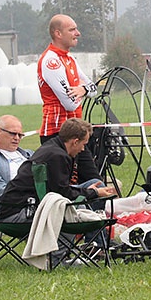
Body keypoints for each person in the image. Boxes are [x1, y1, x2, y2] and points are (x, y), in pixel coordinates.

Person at [0, 118, 116, 222]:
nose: (83, 149)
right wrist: (93, 193)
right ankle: (92, 243)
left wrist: (88, 190)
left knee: (95, 184)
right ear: (75, 142)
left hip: (27, 203)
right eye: (83, 144)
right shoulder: (58, 156)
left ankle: (94, 243)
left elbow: (59, 190)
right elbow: (63, 194)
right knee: (72, 210)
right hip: (19, 212)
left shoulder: (53, 147)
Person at [37, 14, 100, 185]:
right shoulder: (51, 61)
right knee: (65, 186)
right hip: (56, 132)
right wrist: (84, 90)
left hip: (75, 129)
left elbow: (94, 88)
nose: (77, 33)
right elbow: (69, 102)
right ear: (58, 33)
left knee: (94, 181)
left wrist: (83, 89)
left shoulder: (69, 58)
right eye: (72, 29)